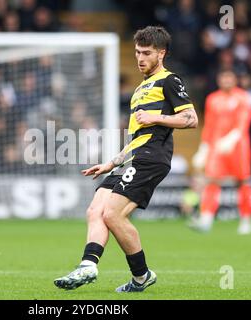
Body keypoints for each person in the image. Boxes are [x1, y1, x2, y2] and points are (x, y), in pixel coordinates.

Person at [54, 26, 198, 293]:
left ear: (161, 54)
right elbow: (138, 136)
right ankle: (88, 265)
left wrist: (157, 117)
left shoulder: (169, 80)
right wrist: (113, 162)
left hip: (151, 158)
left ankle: (141, 276)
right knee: (95, 210)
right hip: (133, 156)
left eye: (146, 53)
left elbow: (191, 119)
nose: (140, 58)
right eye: (136, 52)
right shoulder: (142, 88)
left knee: (113, 214)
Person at [191, 69, 251, 234]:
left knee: (242, 181)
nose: (226, 80)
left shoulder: (242, 97)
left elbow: (244, 121)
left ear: (234, 80)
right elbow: (209, 125)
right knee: (212, 180)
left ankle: (246, 220)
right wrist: (203, 148)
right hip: (217, 146)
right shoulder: (213, 99)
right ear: (219, 80)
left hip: (238, 146)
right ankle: (206, 219)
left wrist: (233, 138)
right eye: (223, 77)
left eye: (229, 77)